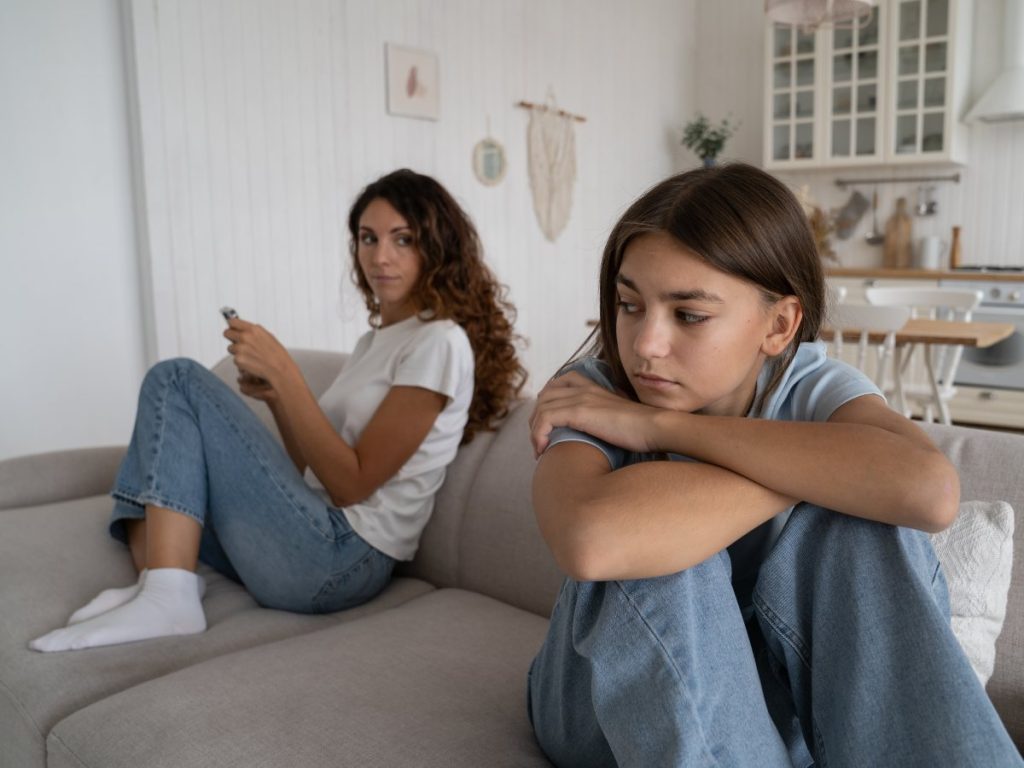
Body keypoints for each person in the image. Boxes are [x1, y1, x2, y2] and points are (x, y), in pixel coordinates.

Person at [525, 163, 1021, 767]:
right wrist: (821, 472)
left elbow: (929, 493)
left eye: (688, 315)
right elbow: (590, 542)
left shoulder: (808, 385)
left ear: (780, 325)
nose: (645, 345)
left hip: (773, 718)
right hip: (595, 712)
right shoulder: (592, 394)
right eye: (630, 305)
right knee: (656, 536)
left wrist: (660, 427)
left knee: (858, 526)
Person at [30, 168, 526, 653]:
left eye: (403, 239)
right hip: (309, 529)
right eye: (367, 238)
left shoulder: (439, 341)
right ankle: (161, 583)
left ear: (437, 249)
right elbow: (310, 468)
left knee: (176, 378)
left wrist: (287, 374)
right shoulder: (373, 342)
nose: (380, 256)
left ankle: (168, 597)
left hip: (343, 558)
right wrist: (277, 397)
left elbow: (352, 485)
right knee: (158, 466)